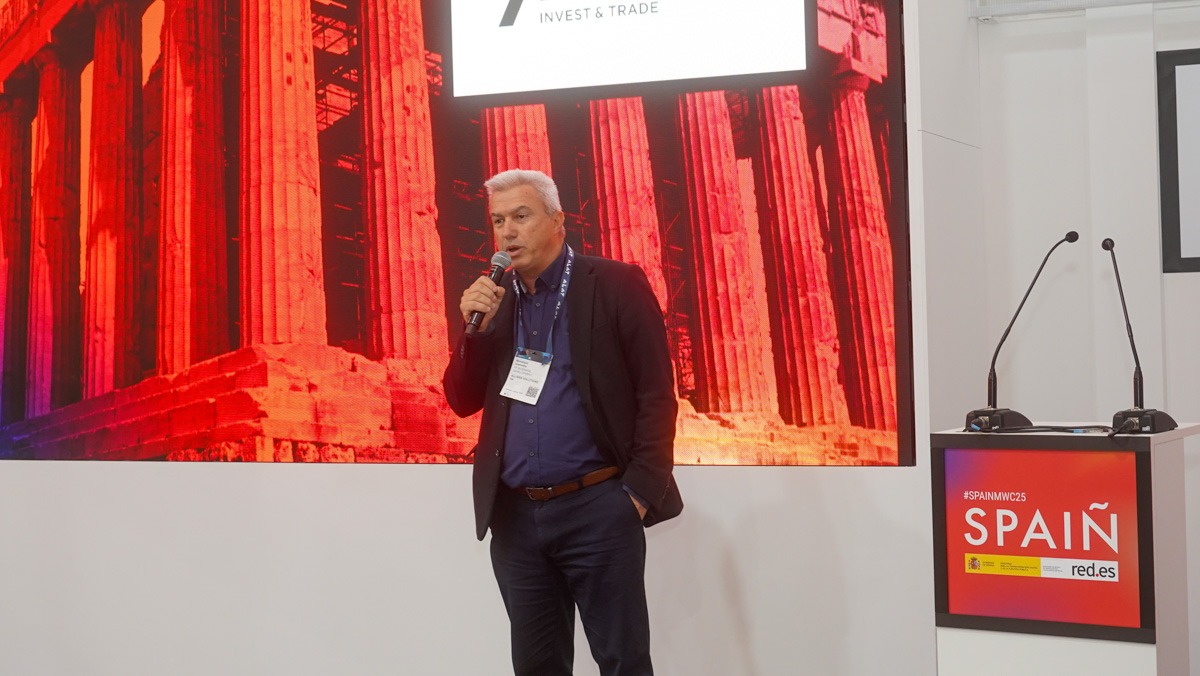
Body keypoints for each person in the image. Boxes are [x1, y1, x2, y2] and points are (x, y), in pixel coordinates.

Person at [443, 169, 683, 676]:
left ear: (558, 221)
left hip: (598, 508)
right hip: (516, 517)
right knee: (536, 666)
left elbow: (657, 395)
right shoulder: (496, 299)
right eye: (498, 221)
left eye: (521, 216)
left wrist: (636, 496)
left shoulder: (615, 283)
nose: (508, 232)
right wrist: (474, 333)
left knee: (622, 662)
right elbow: (461, 400)